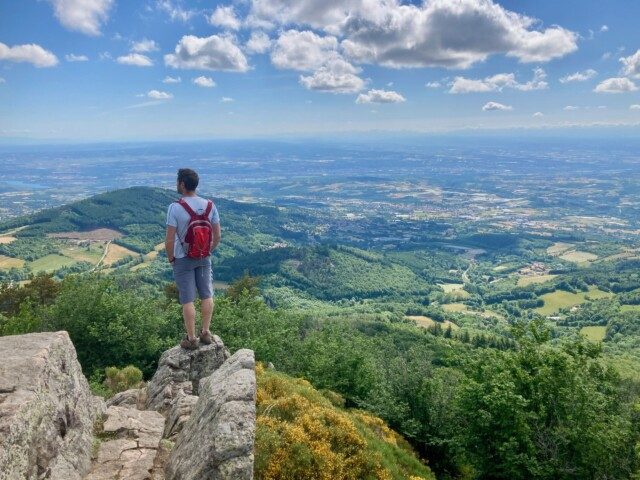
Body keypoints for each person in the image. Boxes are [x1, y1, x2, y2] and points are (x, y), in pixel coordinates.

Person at [165, 168, 221, 350]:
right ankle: (205, 332)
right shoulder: (210, 206)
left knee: (187, 299)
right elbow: (217, 236)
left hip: (183, 259)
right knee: (207, 294)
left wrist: (171, 258)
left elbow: (170, 238)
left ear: (182, 184)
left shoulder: (175, 208)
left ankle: (191, 338)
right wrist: (207, 250)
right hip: (204, 257)